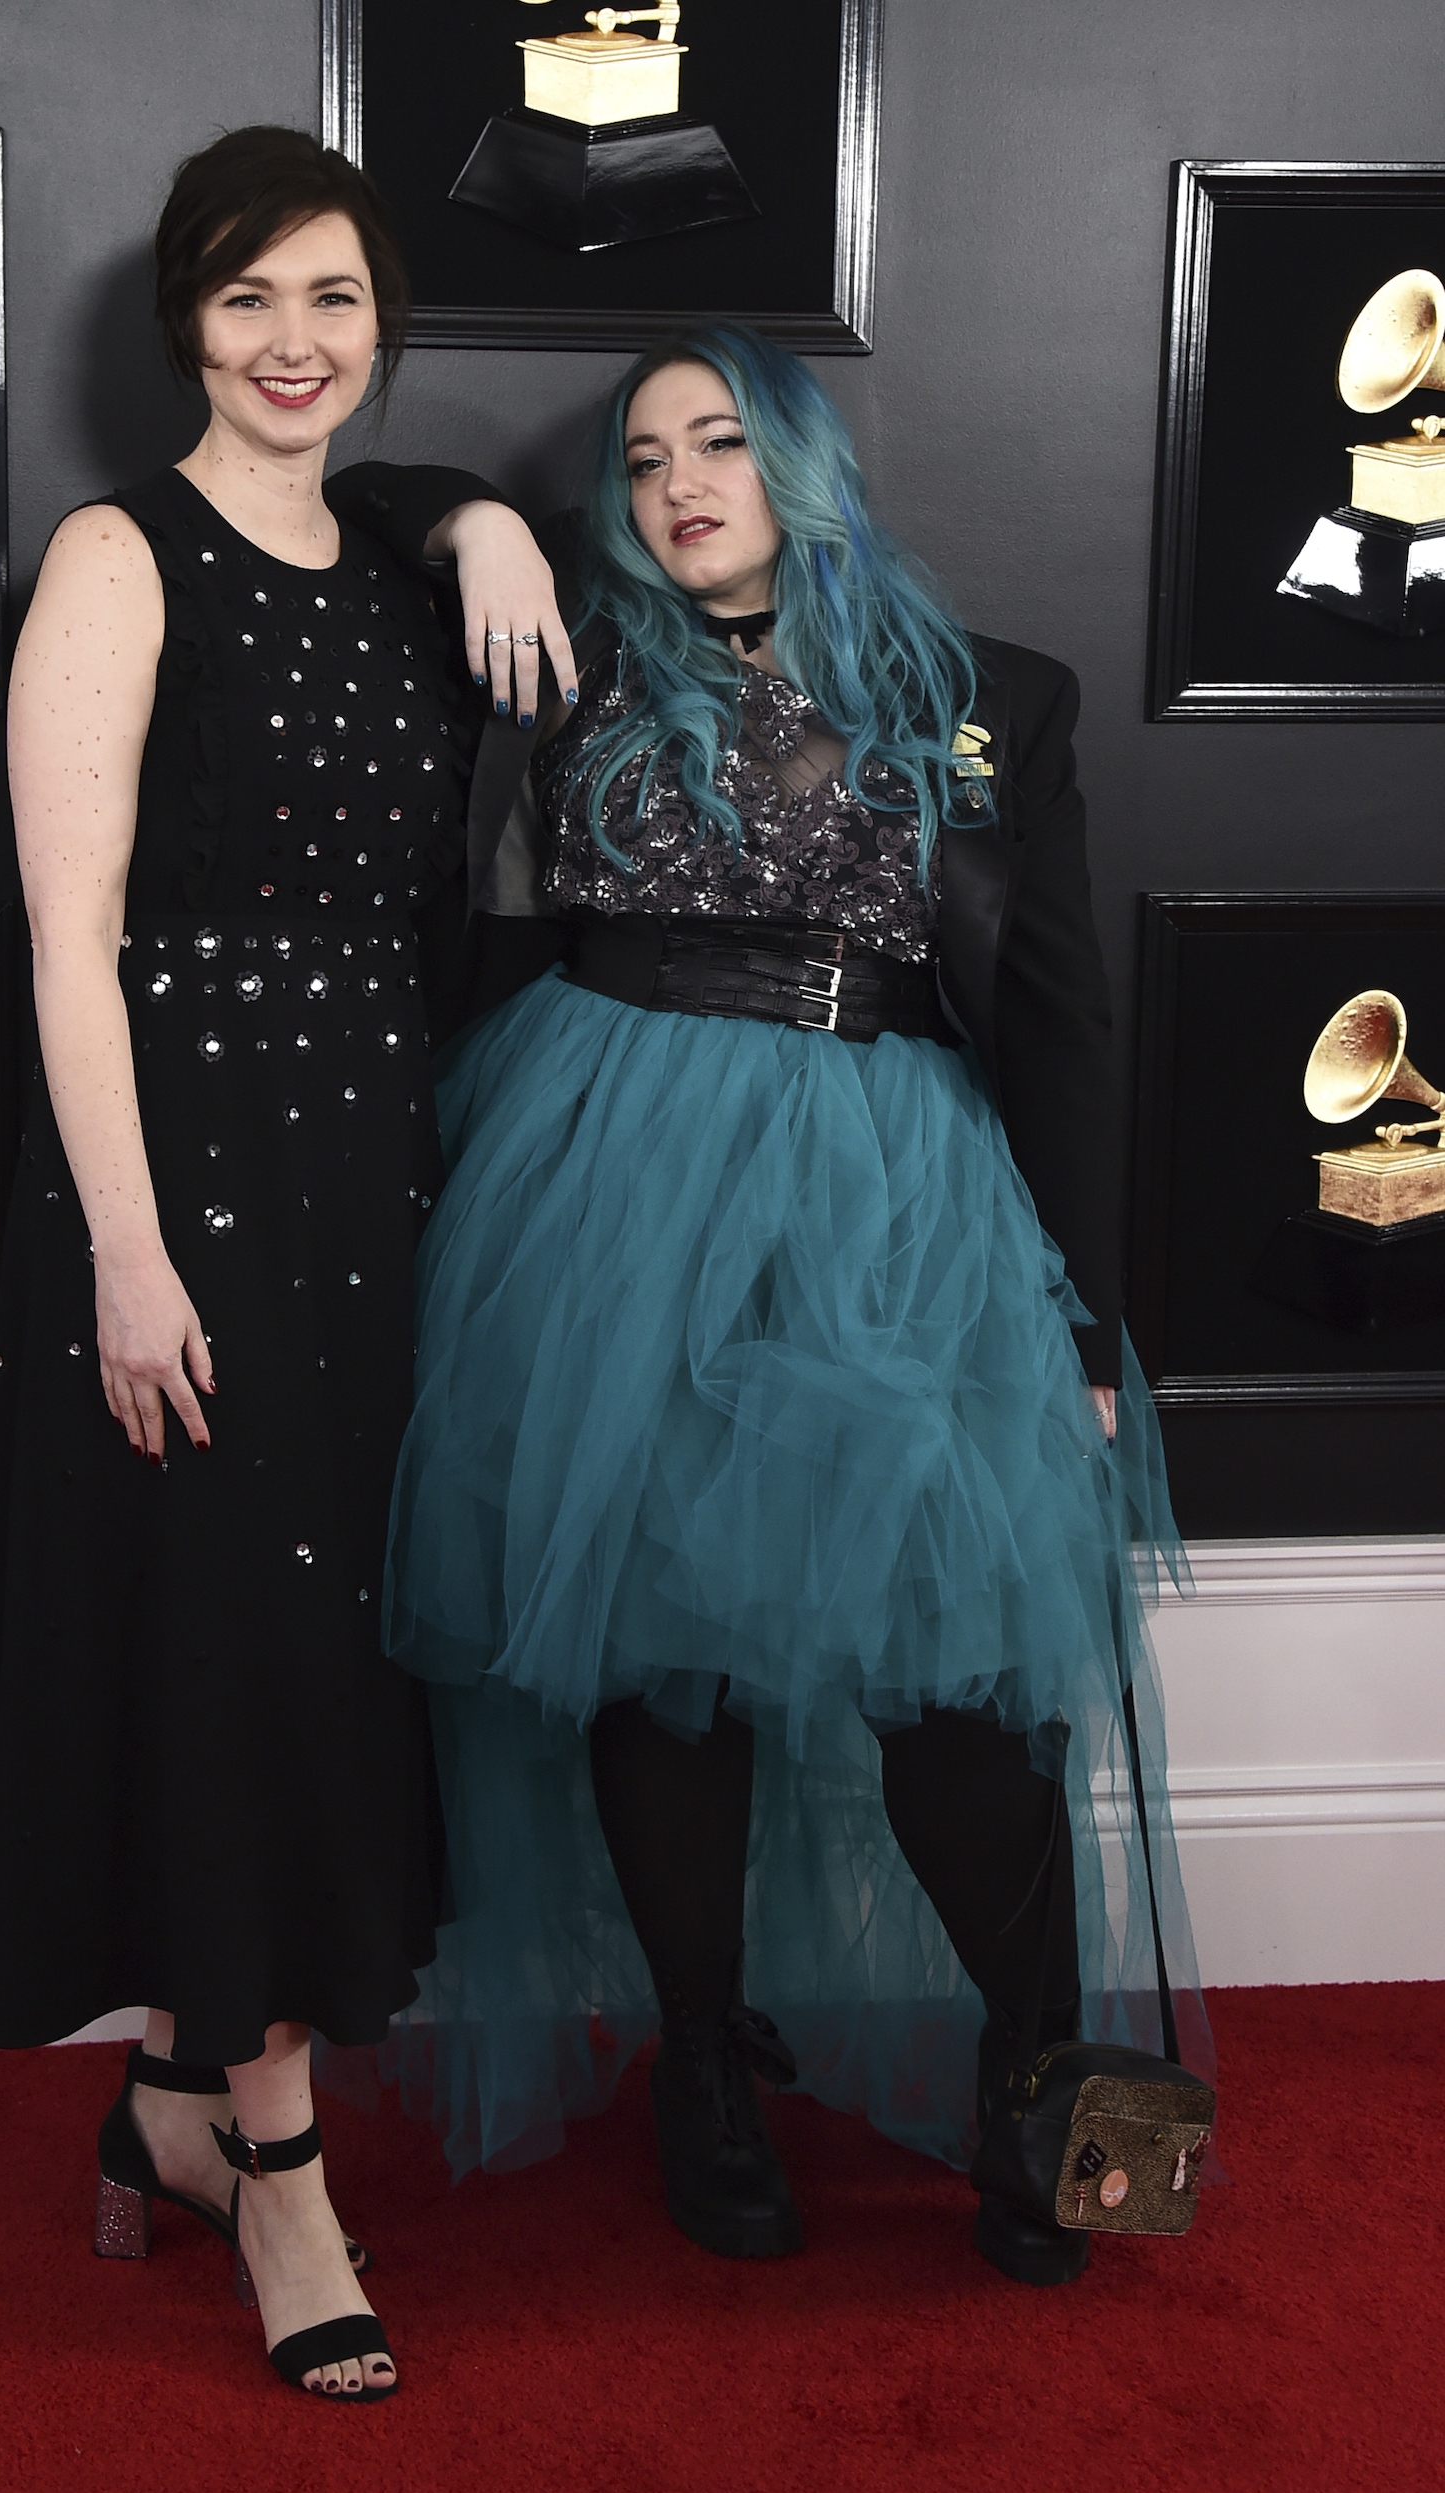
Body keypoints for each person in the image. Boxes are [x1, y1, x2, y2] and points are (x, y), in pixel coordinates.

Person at [376, 325, 1207, 2287]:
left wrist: (1087, 1332)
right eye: (642, 456)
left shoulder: (993, 695)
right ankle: (705, 2069)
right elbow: (342, 492)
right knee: (666, 1652)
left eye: (721, 443)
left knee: (955, 1674)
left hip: (899, 1202)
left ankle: (1033, 2072)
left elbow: (1070, 1027)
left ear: (800, 464)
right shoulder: (560, 670)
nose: (678, 482)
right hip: (609, 1194)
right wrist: (483, 524)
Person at [0, 126, 569, 2400]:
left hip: (373, 1188)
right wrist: (123, 1243)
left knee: (317, 1656)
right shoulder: (118, 555)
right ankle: (279, 2160)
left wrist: (483, 506)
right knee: (226, 1640)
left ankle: (184, 2103)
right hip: (176, 1177)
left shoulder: (412, 568)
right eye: (247, 303)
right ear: (183, 326)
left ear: (381, 323)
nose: (295, 347)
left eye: (334, 302)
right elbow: (69, 936)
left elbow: (480, 550)